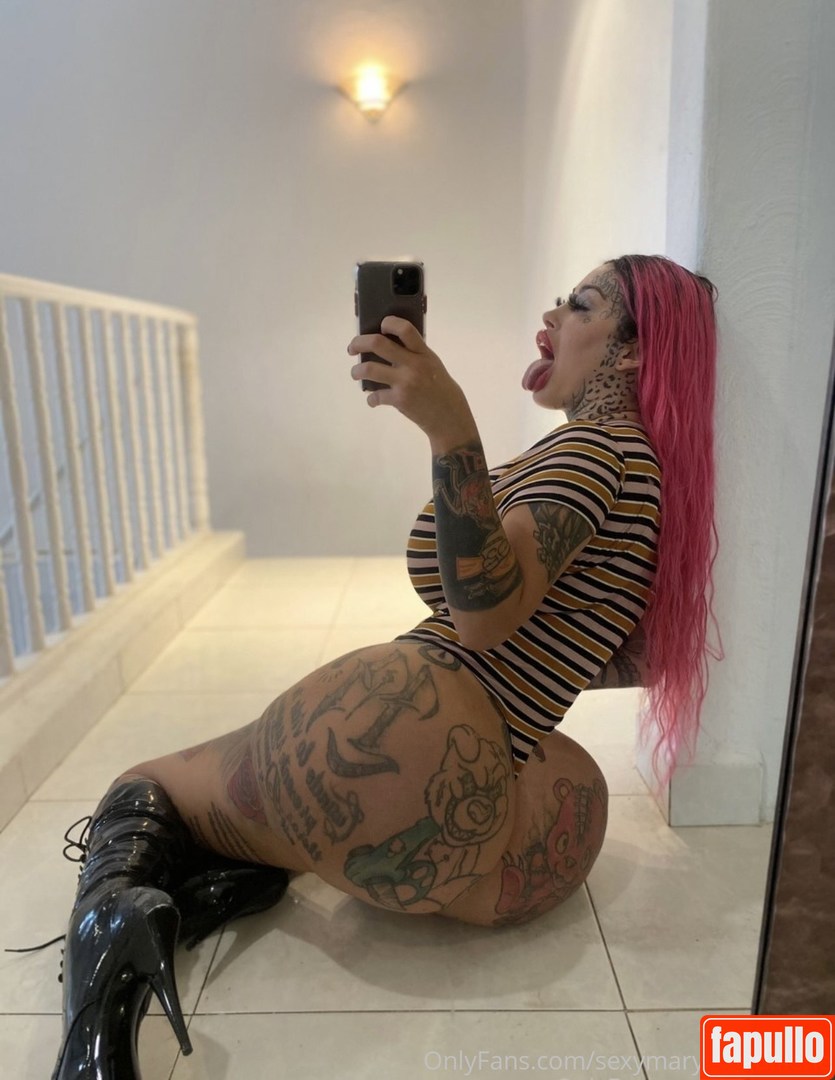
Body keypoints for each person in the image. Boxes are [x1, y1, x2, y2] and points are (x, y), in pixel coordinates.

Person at [50, 254, 721, 1078]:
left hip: (402, 722)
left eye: (579, 306)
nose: (549, 317)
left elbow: (482, 616)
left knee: (146, 785)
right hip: (461, 837)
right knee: (558, 767)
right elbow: (602, 645)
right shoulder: (646, 472)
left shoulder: (591, 452)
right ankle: (231, 876)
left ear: (631, 351)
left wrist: (450, 428)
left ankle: (97, 1020)